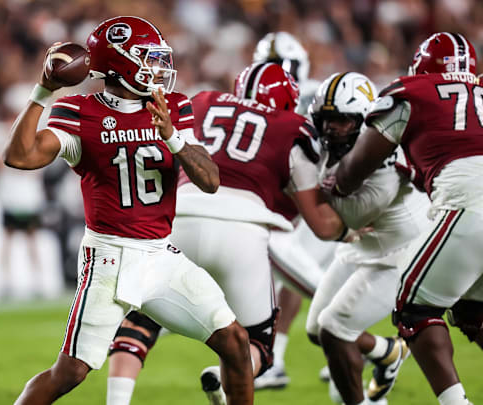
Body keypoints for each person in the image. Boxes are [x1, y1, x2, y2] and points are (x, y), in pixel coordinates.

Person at [6, 16, 255, 405]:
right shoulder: (78, 110)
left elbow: (209, 180)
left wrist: (172, 136)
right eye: (148, 59)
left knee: (236, 342)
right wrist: (43, 91)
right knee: (69, 372)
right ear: (122, 64)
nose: (159, 69)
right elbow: (19, 157)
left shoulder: (171, 106)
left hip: (162, 254)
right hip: (110, 258)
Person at [105, 62, 353, 405]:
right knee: (256, 346)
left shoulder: (204, 102)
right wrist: (355, 225)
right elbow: (322, 225)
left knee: (141, 321)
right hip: (242, 233)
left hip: (180, 220)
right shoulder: (292, 127)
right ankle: (224, 377)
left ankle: (116, 402)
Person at [334, 32, 483, 405]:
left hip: (470, 199)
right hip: (470, 199)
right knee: (471, 309)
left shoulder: (410, 91)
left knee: (413, 307)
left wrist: (332, 183)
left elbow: (355, 170)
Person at [306, 72, 430, 405]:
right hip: (360, 247)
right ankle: (388, 351)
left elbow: (347, 218)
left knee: (334, 329)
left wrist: (302, 188)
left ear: (364, 121)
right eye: (326, 120)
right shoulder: (326, 144)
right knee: (317, 330)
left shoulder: (383, 155)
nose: (331, 129)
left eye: (342, 121)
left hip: (399, 254)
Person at [252, 31, 338, 388]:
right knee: (288, 277)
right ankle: (279, 358)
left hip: (318, 196)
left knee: (295, 276)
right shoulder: (269, 97)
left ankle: (355, 347)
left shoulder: (315, 92)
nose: (279, 74)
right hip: (300, 198)